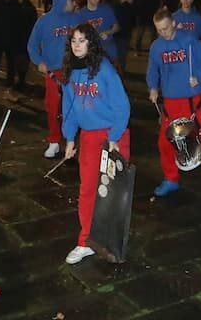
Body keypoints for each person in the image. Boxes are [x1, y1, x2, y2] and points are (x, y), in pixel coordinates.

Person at [58, 24, 131, 265]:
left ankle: (112, 239)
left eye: (82, 40)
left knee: (114, 192)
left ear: (91, 43)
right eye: (73, 41)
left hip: (112, 135)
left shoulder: (105, 70)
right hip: (88, 136)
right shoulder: (69, 73)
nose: (77, 45)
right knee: (88, 189)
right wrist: (69, 137)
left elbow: (122, 105)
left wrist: (115, 136)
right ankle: (85, 241)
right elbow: (68, 109)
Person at [147, 8, 201, 195]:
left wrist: (199, 76)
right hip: (171, 101)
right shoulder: (156, 47)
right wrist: (153, 87)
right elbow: (152, 70)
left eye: (165, 28)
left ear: (173, 23)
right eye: (159, 30)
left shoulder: (189, 41)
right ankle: (171, 178)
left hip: (193, 98)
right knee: (164, 143)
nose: (163, 33)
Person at [27, 0, 79, 158]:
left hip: (73, 69)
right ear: (64, 1)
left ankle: (71, 140)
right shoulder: (44, 21)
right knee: (52, 106)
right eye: (72, 1)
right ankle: (54, 141)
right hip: (53, 72)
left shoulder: (76, 19)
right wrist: (39, 62)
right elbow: (32, 45)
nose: (74, 4)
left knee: (73, 106)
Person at [79, 0, 121, 64]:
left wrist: (108, 32)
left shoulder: (107, 9)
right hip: (92, 52)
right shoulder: (81, 14)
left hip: (109, 50)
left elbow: (117, 27)